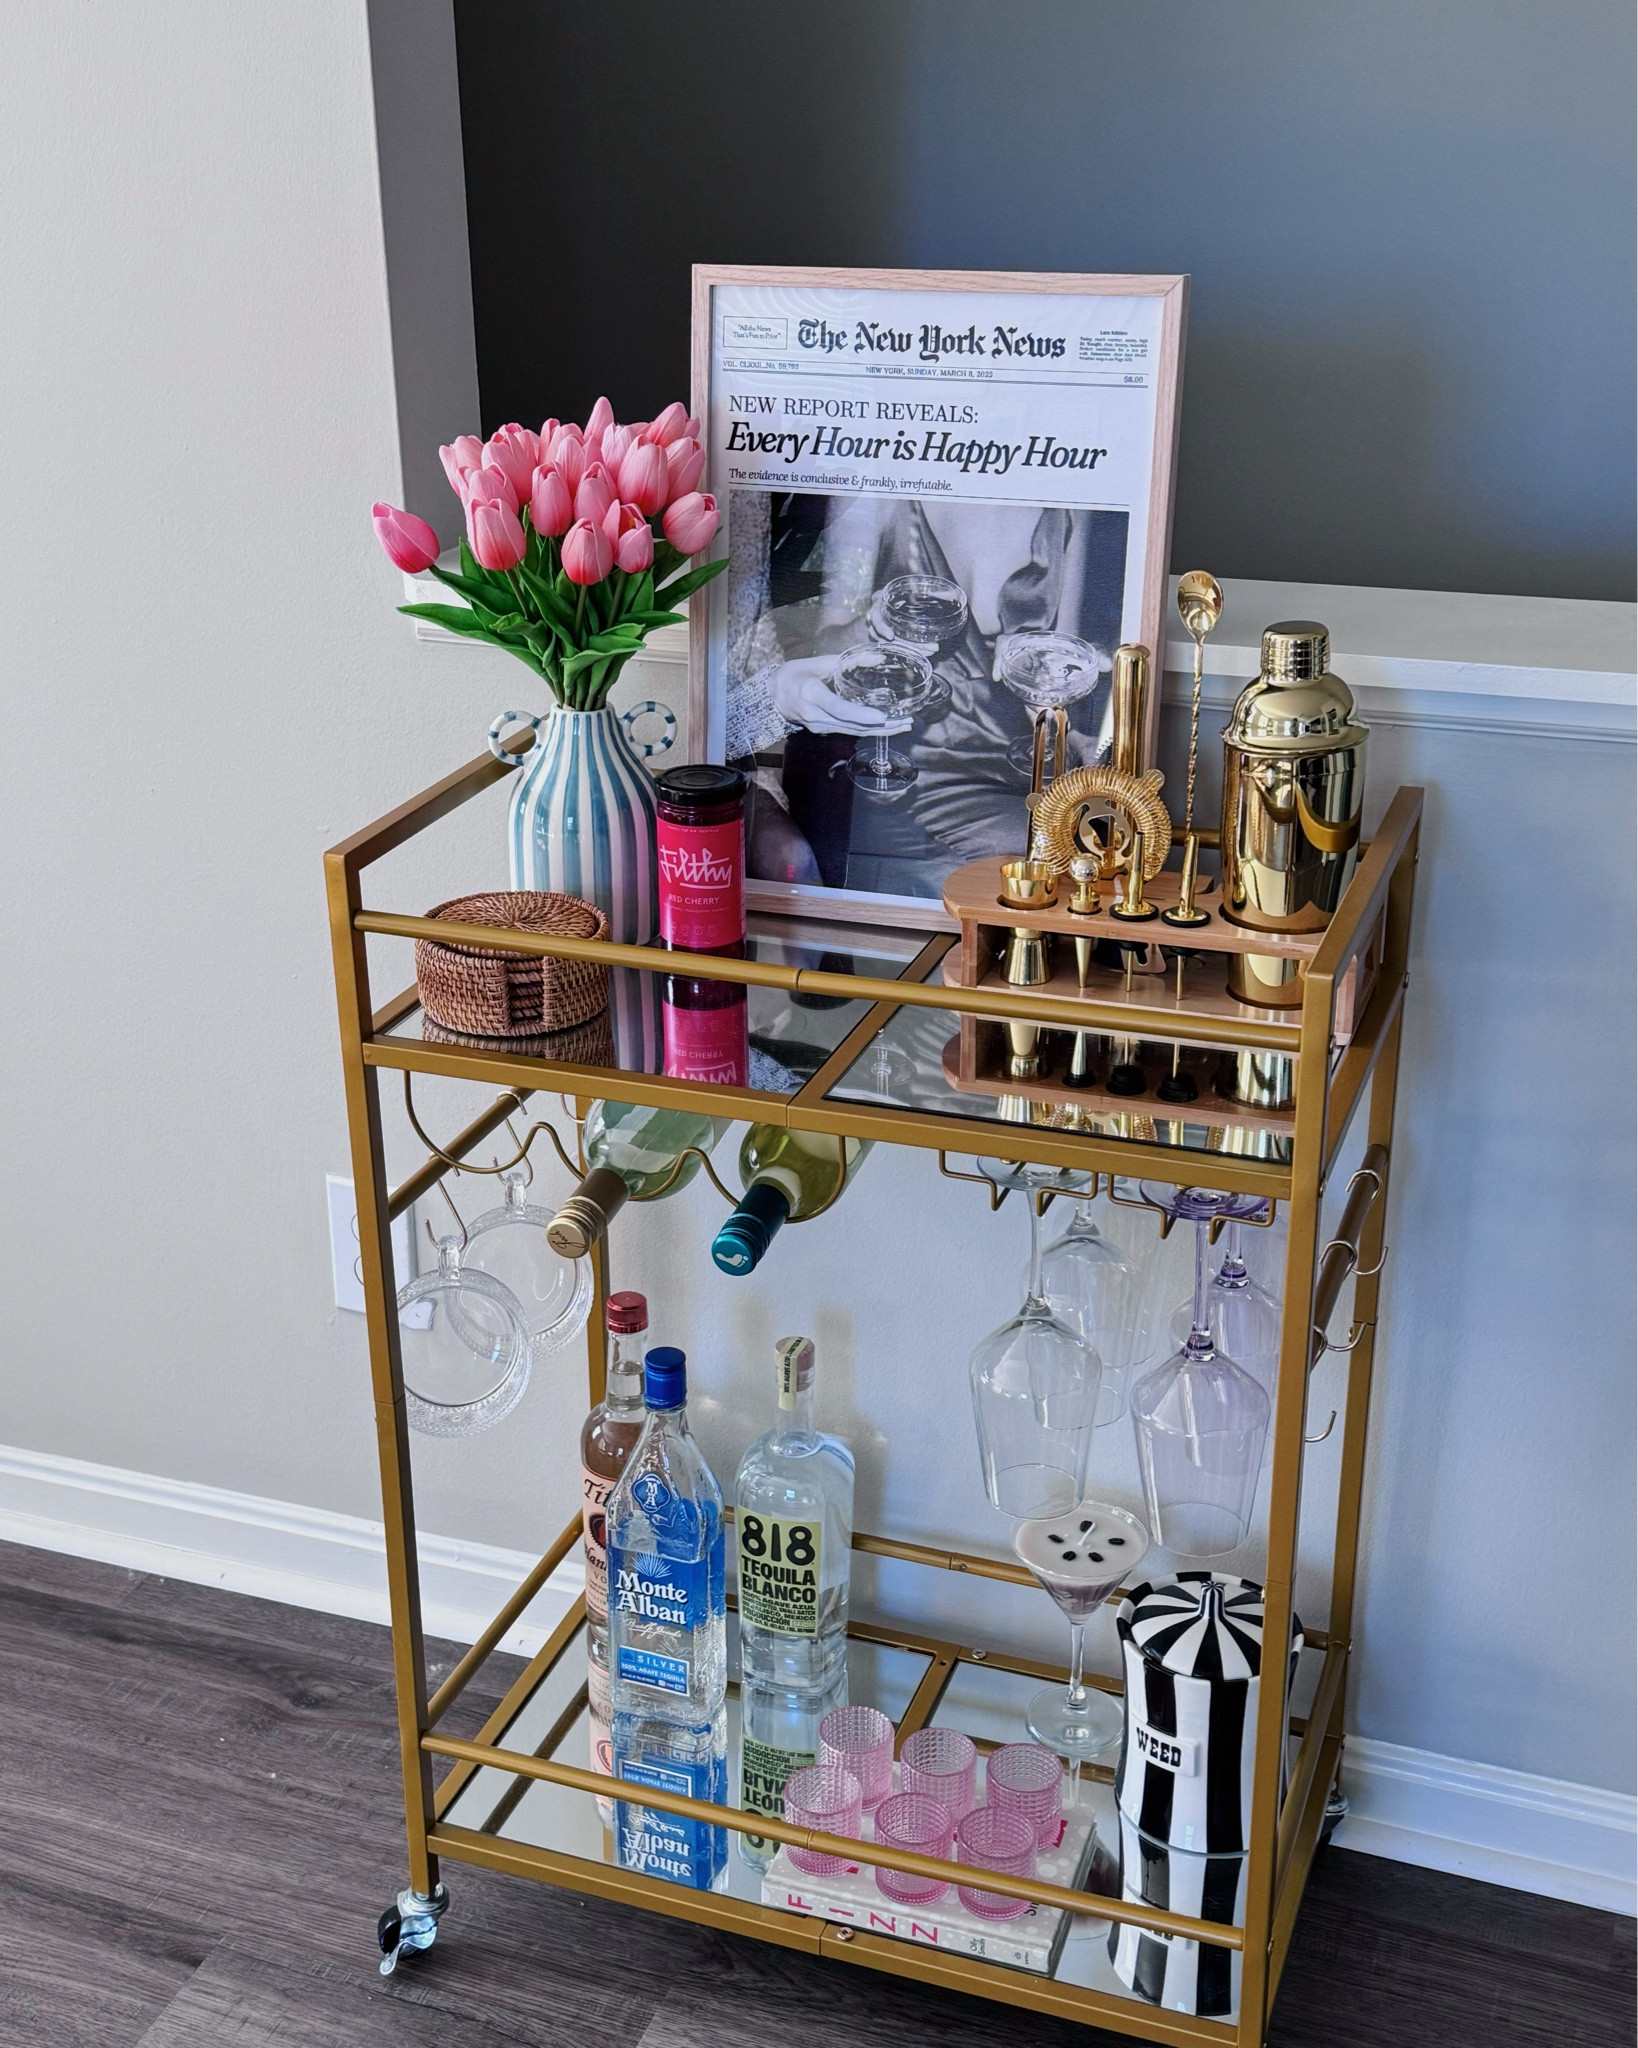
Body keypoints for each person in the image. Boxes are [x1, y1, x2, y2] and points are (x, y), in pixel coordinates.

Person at [726, 492, 1128, 898]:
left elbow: (1061, 666)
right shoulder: (879, 495)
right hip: (902, 764)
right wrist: (869, 627)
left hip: (1013, 762)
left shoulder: (1072, 505)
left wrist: (1053, 687)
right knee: (999, 872)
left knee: (1067, 858)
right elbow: (819, 651)